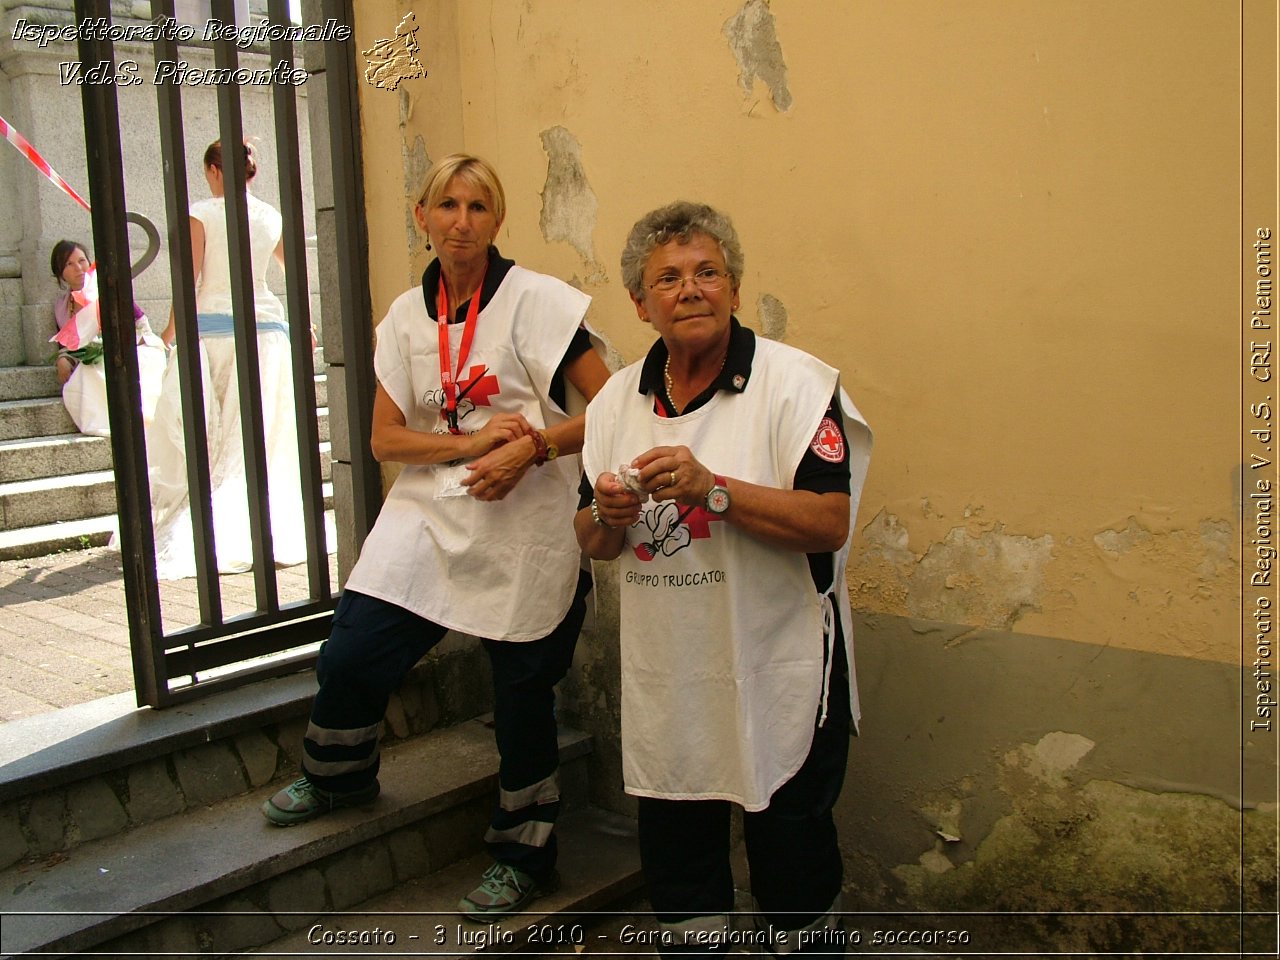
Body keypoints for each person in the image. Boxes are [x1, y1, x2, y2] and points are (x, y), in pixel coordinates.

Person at [260, 154, 611, 920]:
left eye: (478, 206)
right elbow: (387, 439)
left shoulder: (538, 302)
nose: (461, 220)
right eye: (446, 205)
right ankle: (340, 773)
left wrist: (534, 447)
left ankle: (525, 855)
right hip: (430, 510)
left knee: (522, 695)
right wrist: (469, 443)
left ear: (497, 220)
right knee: (353, 646)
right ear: (422, 217)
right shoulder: (403, 317)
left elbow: (617, 406)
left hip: (526, 522)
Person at [576, 201, 872, 954]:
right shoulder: (616, 401)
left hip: (781, 661)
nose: (691, 289)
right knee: (678, 857)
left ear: (735, 289)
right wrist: (609, 513)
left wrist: (714, 489)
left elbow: (829, 521)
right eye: (668, 278)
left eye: (708, 271)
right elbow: (592, 542)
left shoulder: (797, 386)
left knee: (792, 850)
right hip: (669, 672)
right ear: (642, 306)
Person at [147, 140, 309, 579]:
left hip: (214, 328)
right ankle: (262, 524)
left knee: (209, 430)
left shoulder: (203, 212)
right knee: (257, 434)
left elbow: (190, 277)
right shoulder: (271, 216)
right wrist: (303, 321)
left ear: (215, 171)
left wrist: (168, 333)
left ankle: (212, 522)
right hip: (266, 330)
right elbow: (294, 273)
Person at [50, 239, 164, 436]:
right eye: (69, 264)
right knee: (87, 373)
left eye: (82, 261)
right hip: (93, 357)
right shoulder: (61, 306)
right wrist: (63, 357)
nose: (78, 268)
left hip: (133, 347)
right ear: (61, 273)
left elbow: (142, 326)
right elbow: (70, 343)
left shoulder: (107, 291)